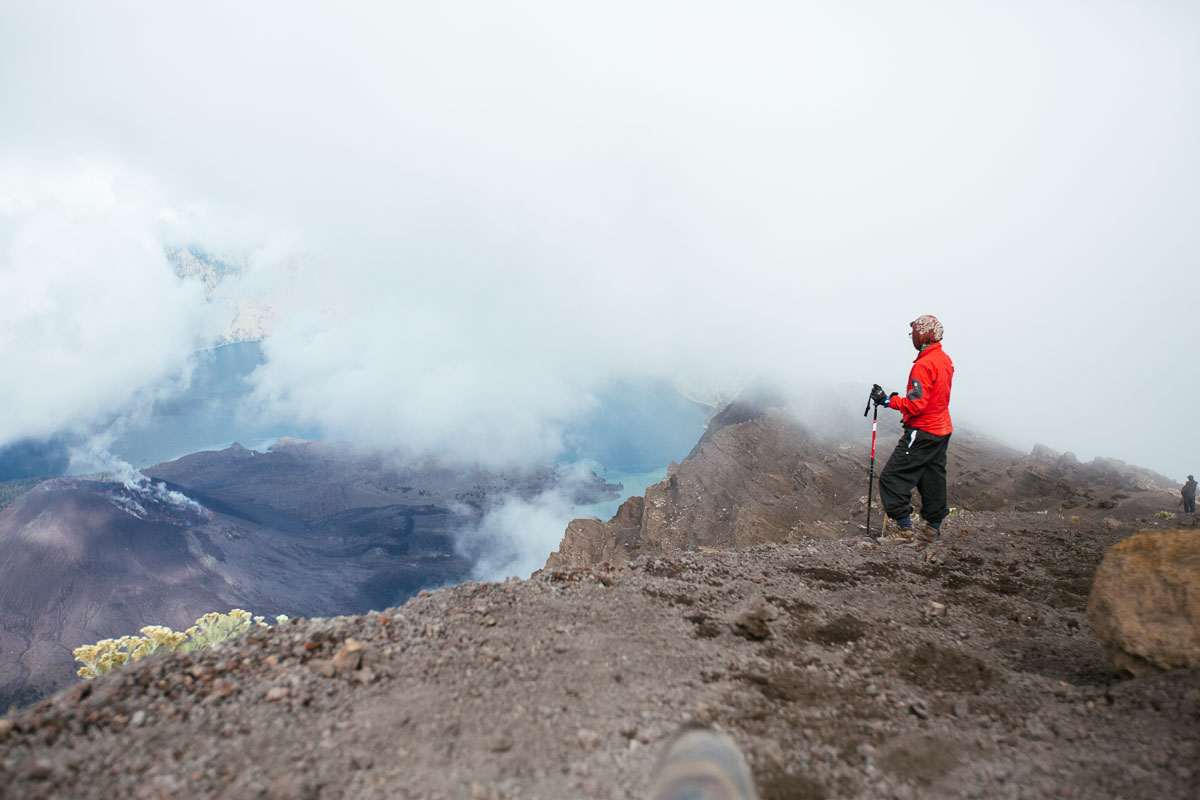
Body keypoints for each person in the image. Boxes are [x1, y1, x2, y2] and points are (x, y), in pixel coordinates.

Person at [870, 315, 954, 543]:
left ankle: (904, 531)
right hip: (942, 429)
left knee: (891, 477)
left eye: (914, 333)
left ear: (922, 335)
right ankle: (932, 530)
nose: (912, 338)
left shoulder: (924, 365)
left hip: (923, 430)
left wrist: (888, 401)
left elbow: (917, 405)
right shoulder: (944, 359)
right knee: (932, 477)